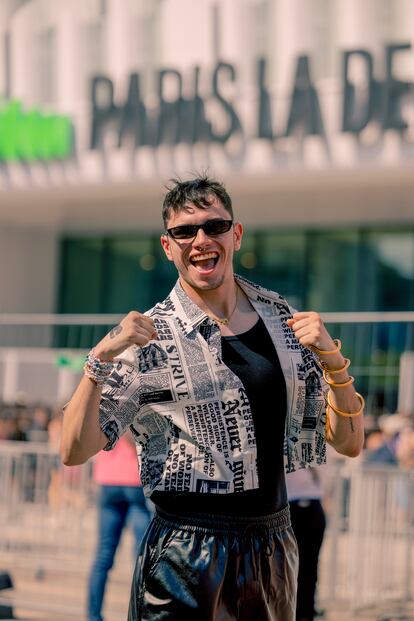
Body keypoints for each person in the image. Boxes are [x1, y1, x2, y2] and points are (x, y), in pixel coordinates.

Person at [60, 175, 365, 621]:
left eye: (214, 226)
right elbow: (73, 450)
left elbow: (349, 443)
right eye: (185, 232)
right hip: (186, 553)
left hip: (273, 546)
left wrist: (333, 359)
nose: (200, 240)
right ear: (168, 247)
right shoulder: (148, 336)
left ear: (235, 234)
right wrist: (101, 355)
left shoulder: (282, 318)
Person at [87, 432, 153, 621]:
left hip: (107, 479)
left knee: (103, 556)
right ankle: (141, 615)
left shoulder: (104, 402)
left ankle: (93, 616)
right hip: (134, 480)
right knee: (141, 560)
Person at [287, 466, 327, 621]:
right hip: (312, 505)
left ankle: (301, 612)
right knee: (309, 568)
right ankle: (305, 613)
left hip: (292, 505)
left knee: (291, 569)